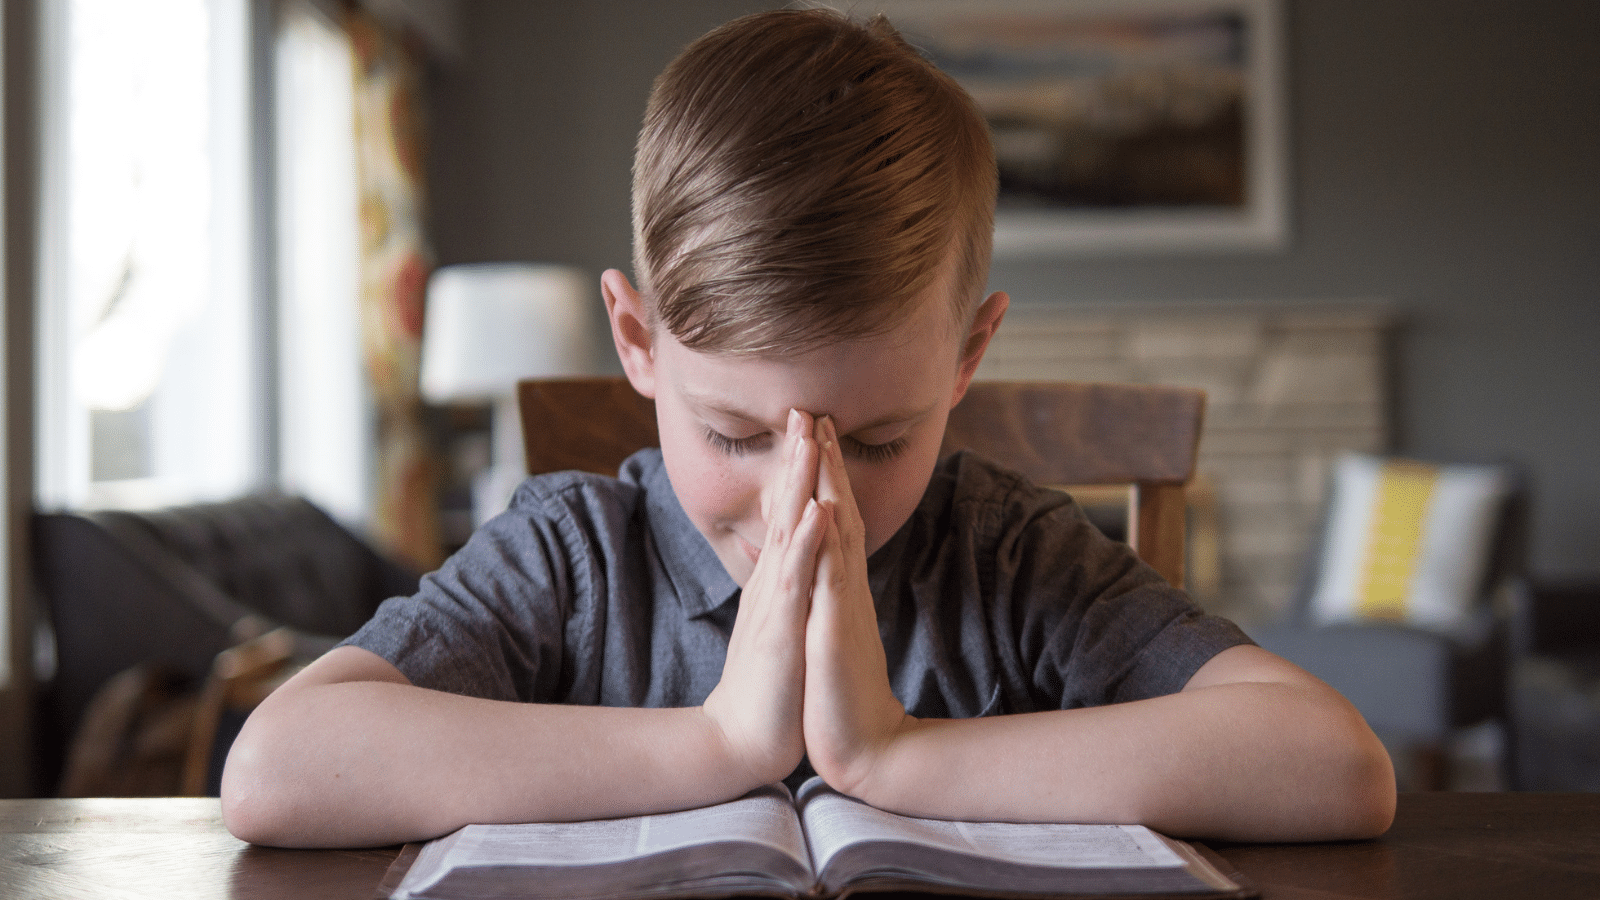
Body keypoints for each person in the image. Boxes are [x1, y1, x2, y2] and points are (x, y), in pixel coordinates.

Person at [221, 8, 1395, 849]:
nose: (803, 499)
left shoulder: (1006, 554)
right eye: (735, 434)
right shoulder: (571, 555)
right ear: (636, 343)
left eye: (873, 442)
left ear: (967, 357)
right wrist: (722, 742)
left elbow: (1337, 769)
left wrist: (892, 754)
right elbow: (276, 772)